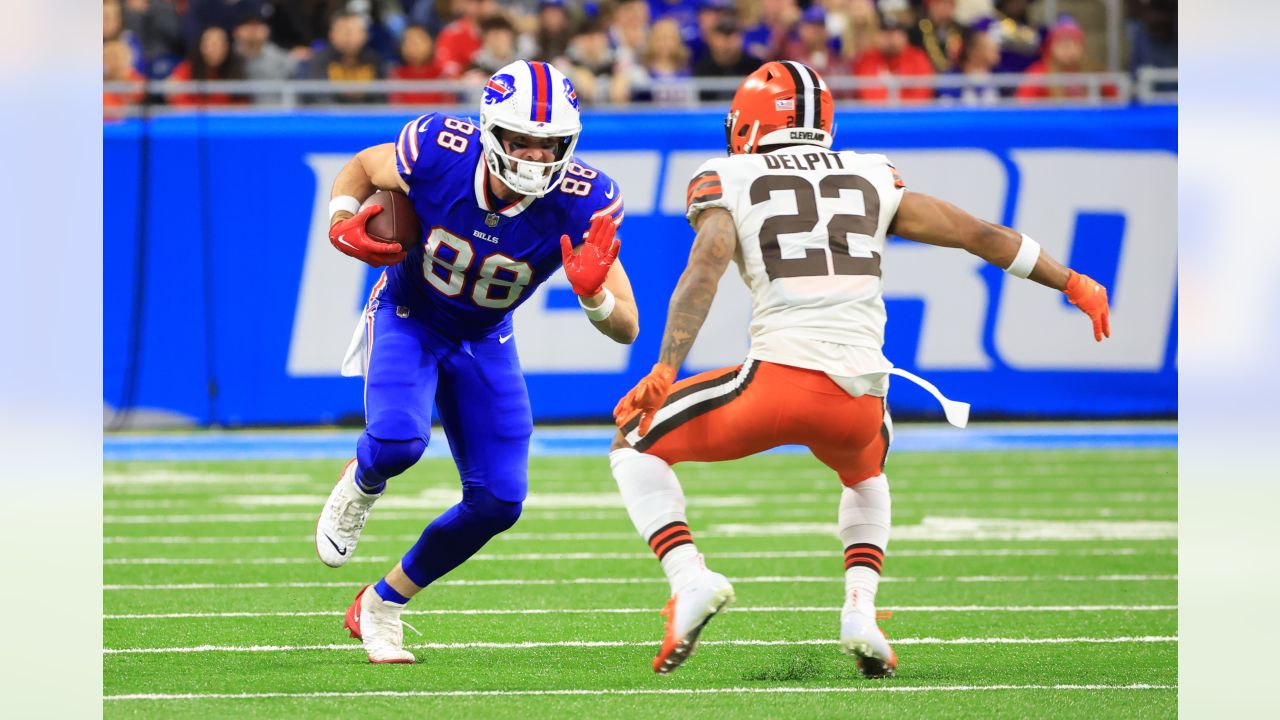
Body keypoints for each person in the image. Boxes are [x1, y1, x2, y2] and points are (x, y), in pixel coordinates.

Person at [607, 60, 1111, 677]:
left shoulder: (728, 174)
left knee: (633, 441)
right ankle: (859, 611)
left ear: (749, 122)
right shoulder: (870, 173)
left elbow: (709, 260)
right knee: (867, 476)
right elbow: (977, 233)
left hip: (777, 382)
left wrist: (666, 365)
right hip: (860, 398)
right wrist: (1073, 281)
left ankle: (690, 581)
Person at [316, 60, 639, 664]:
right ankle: (362, 482)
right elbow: (363, 165)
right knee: (397, 442)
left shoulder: (584, 201)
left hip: (486, 336)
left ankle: (383, 603)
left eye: (551, 145)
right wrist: (340, 221)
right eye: (523, 141)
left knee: (499, 501)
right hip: (410, 313)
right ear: (491, 131)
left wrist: (594, 294)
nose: (537, 158)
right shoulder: (440, 149)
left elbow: (627, 327)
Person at [850, 10, 934, 103]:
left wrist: (897, 106)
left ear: (904, 35)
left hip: (911, 116)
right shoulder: (867, 59)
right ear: (876, 35)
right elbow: (867, 95)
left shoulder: (917, 57)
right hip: (877, 116)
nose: (890, 37)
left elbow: (921, 94)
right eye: (885, 31)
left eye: (896, 31)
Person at [304, 10, 386, 104]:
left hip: (367, 116)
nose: (348, 37)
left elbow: (380, 98)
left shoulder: (374, 60)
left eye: (353, 31)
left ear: (365, 35)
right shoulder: (320, 59)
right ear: (332, 34)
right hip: (332, 116)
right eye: (343, 31)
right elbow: (318, 97)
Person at [168, 25, 246, 106]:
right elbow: (176, 97)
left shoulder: (235, 70)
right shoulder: (188, 69)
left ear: (227, 47)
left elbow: (240, 105)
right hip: (194, 117)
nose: (215, 49)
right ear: (201, 46)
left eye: (220, 44)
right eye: (211, 44)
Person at [691, 14, 762, 100]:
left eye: (732, 34)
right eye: (721, 35)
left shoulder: (756, 67)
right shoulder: (701, 68)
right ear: (711, 39)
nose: (727, 41)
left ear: (741, 38)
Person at [389, 24, 458, 105]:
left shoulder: (442, 74)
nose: (412, 47)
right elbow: (396, 109)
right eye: (408, 42)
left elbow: (449, 109)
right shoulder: (397, 74)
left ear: (431, 43)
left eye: (417, 42)